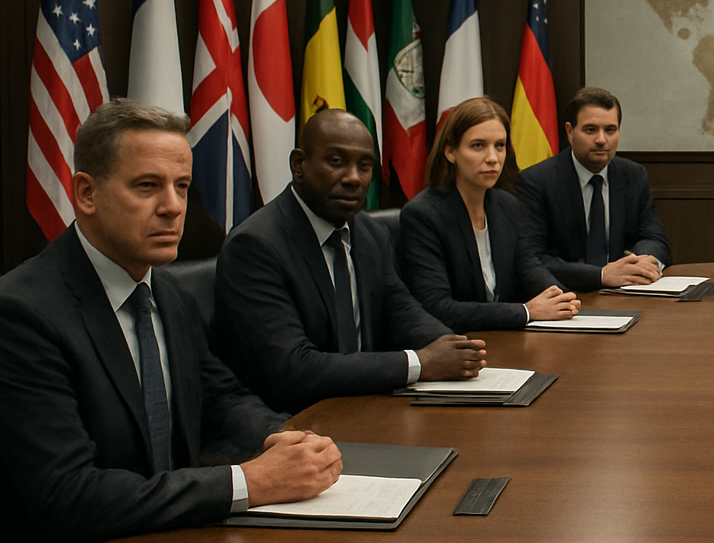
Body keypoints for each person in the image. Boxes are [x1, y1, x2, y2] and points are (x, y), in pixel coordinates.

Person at [0, 100, 340, 543]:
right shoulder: (23, 313)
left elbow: (220, 397)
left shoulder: (166, 292)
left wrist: (287, 439)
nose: (174, 206)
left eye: (181, 186)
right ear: (86, 193)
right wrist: (247, 481)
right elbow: (69, 497)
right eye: (147, 186)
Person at [215, 108, 487, 415]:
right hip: (291, 422)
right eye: (336, 161)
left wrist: (454, 349)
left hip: (365, 405)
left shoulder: (369, 232)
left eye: (365, 165)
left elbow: (400, 309)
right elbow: (293, 368)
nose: (354, 178)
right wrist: (421, 363)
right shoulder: (255, 246)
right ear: (299, 165)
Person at [398, 97, 580, 332]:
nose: (493, 158)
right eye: (478, 145)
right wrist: (526, 311)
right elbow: (437, 307)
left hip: (505, 338)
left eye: (500, 145)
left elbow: (528, 267)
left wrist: (560, 297)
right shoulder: (423, 215)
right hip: (457, 345)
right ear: (450, 152)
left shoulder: (507, 206)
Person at [516, 87, 671, 292]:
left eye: (610, 130)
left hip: (625, 292)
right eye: (590, 130)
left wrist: (644, 261)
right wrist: (600, 275)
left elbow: (653, 237)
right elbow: (532, 258)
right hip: (567, 294)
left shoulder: (633, 175)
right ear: (570, 132)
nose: (601, 140)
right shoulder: (536, 181)